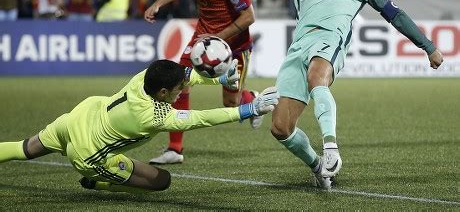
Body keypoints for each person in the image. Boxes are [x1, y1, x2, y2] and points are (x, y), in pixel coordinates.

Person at [252, 0, 444, 190]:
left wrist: (428, 46)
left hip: (330, 41)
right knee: (281, 128)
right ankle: (318, 166)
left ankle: (331, 148)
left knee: (317, 77)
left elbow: (395, 15)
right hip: (299, 47)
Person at [0, 59, 279, 193]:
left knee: (25, 148)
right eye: (176, 90)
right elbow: (202, 118)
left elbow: (184, 76)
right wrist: (248, 109)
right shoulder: (155, 117)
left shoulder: (143, 78)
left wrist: (219, 81)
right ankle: (97, 181)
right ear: (162, 93)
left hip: (78, 117)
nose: (182, 92)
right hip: (88, 153)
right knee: (160, 182)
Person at [144, 0, 261, 165]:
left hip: (233, 45)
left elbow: (249, 16)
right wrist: (157, 3)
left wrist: (219, 37)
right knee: (179, 82)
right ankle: (175, 149)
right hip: (201, 39)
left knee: (230, 102)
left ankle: (251, 98)